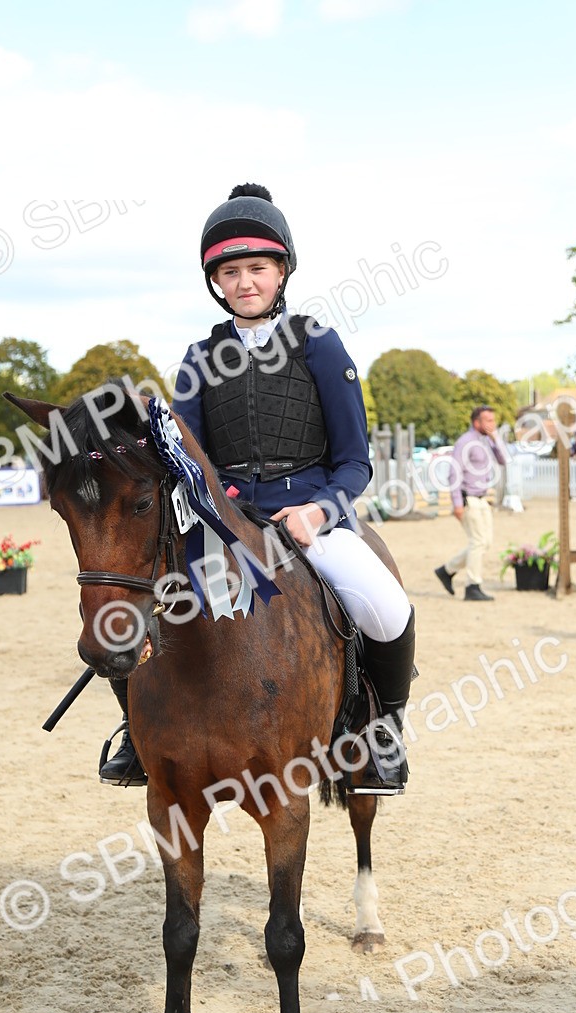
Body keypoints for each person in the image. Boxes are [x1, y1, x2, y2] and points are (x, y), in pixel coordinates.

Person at [101, 183, 416, 794]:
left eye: (257, 268)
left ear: (281, 272)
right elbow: (185, 453)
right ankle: (138, 732)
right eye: (231, 271)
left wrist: (320, 512)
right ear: (216, 281)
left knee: (389, 608)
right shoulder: (199, 357)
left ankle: (382, 732)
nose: (245, 282)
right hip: (227, 523)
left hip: (312, 519)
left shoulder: (319, 344)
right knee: (128, 610)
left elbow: (356, 463)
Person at [434, 405, 506, 601]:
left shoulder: (485, 441)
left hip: (483, 499)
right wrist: (457, 503)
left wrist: (495, 438)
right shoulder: (465, 442)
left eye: (493, 420)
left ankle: (447, 570)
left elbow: (504, 459)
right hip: (469, 500)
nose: (493, 424)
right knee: (477, 542)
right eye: (488, 421)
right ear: (477, 422)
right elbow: (454, 473)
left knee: (486, 542)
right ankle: (472, 586)